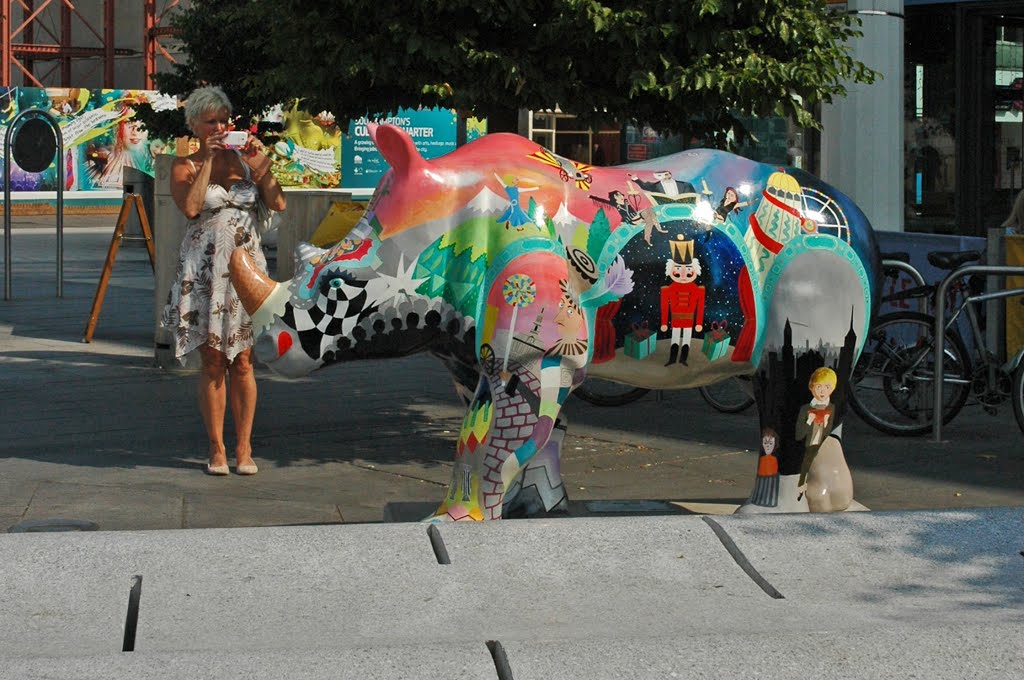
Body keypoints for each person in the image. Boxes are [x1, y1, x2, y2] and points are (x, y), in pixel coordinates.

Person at [161, 86, 286, 476]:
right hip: (205, 272)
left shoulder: (247, 163)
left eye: (223, 120)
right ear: (195, 125)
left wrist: (259, 160)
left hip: (247, 268)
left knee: (245, 361)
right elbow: (192, 207)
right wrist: (209, 158)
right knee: (213, 360)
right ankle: (216, 449)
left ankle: (244, 448)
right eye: (211, 121)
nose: (219, 126)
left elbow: (278, 202)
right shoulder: (186, 165)